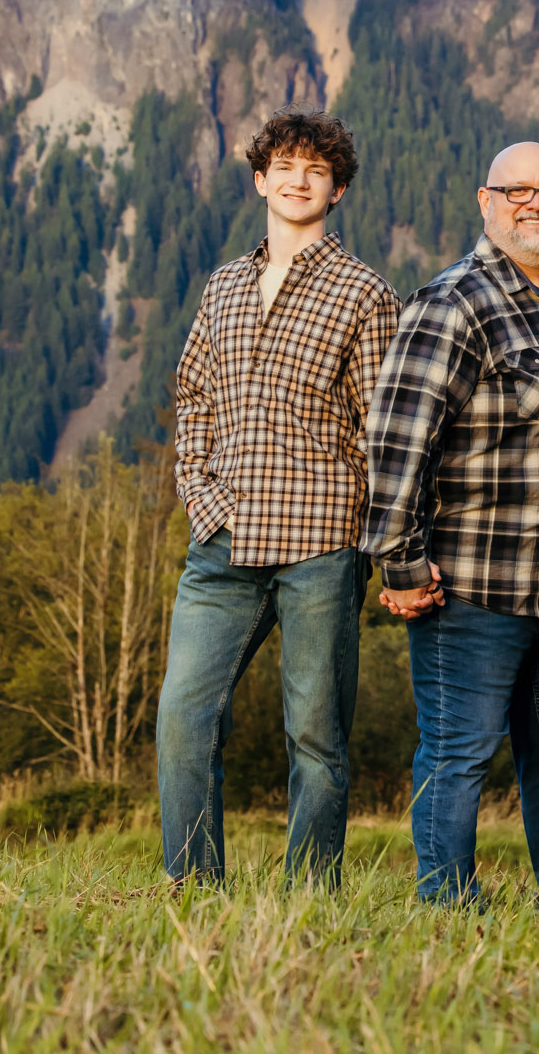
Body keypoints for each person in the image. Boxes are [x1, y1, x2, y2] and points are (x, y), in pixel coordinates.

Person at [361, 141, 539, 905]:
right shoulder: (453, 302)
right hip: (475, 589)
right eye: (518, 191)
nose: (536, 203)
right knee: (459, 754)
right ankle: (446, 902)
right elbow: (395, 442)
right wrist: (403, 564)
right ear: (487, 202)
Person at [155, 109, 400, 887]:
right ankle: (194, 884)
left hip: (319, 543)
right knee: (184, 718)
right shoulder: (224, 283)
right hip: (222, 540)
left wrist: (361, 525)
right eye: (286, 166)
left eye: (317, 171)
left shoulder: (365, 292)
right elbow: (193, 394)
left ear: (337, 191)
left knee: (317, 736)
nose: (299, 180)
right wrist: (199, 491)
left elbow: (384, 430)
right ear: (261, 179)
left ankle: (310, 896)